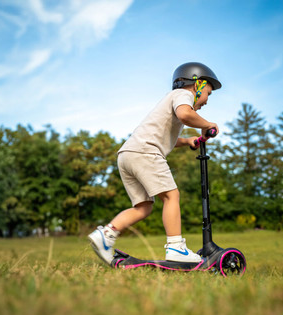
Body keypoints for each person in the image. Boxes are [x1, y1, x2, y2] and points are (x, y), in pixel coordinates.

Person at [88, 62, 222, 265]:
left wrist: (187, 141)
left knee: (143, 207)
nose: (206, 101)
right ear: (198, 85)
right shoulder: (183, 95)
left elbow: (164, 137)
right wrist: (208, 124)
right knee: (171, 196)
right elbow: (186, 115)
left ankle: (106, 235)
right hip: (145, 153)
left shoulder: (172, 102)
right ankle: (176, 248)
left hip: (128, 154)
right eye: (208, 94)